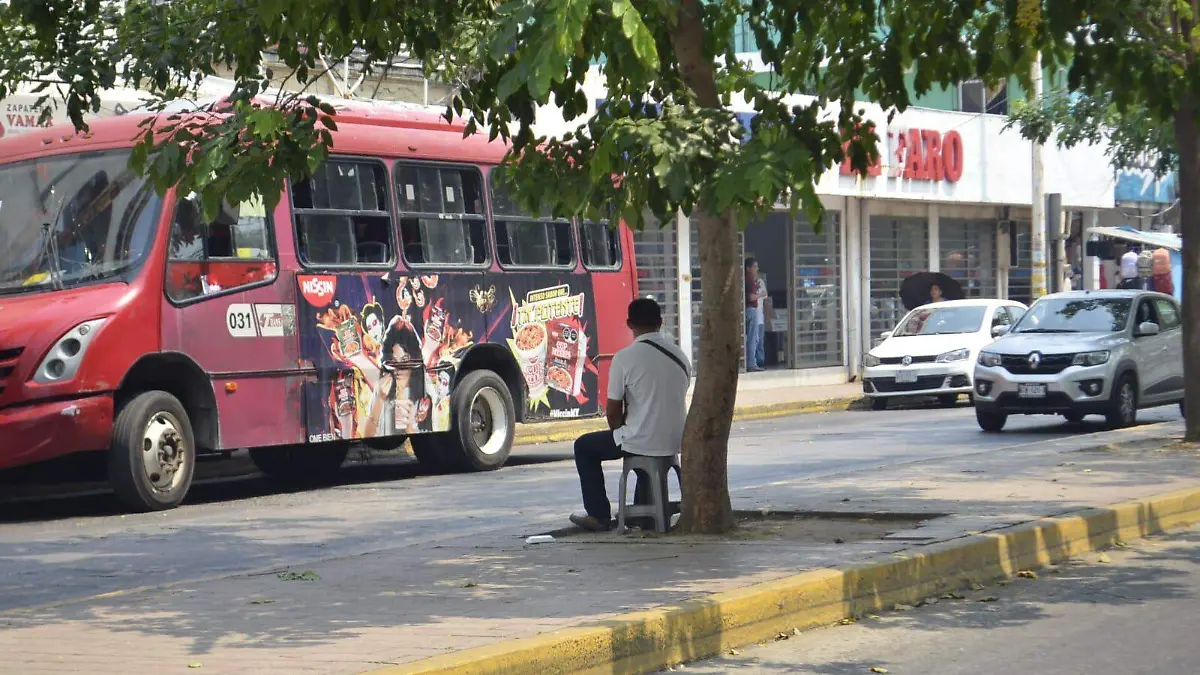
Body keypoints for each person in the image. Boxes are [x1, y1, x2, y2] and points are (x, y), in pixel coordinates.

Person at [570, 298, 692, 532]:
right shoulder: (680, 356)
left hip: (643, 439)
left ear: (630, 324)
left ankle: (598, 515)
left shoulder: (625, 358)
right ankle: (642, 512)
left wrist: (619, 429)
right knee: (638, 443)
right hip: (675, 439)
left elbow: (613, 411)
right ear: (660, 322)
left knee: (584, 447)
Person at [745, 258, 764, 372]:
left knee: (753, 337)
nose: (757, 269)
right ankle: (751, 363)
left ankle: (750, 362)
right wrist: (761, 294)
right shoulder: (750, 280)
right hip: (751, 310)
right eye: (755, 267)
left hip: (749, 310)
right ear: (748, 268)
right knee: (753, 338)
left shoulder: (747, 280)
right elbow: (751, 297)